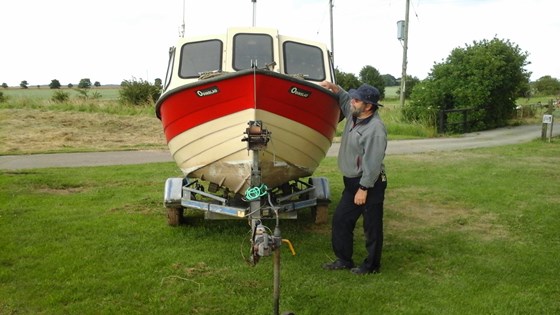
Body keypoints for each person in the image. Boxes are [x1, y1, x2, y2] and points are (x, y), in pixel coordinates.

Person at [319, 81, 388, 275]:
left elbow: (373, 163)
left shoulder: (375, 129)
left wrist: (364, 188)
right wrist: (335, 88)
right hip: (351, 183)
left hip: (369, 183)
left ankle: (371, 266)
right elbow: (344, 98)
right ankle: (344, 260)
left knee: (372, 227)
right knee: (341, 220)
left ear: (368, 106)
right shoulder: (353, 113)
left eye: (357, 100)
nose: (352, 102)